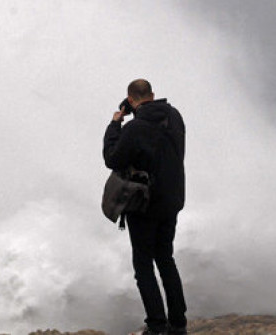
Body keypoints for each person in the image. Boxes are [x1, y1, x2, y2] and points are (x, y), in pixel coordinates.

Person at [103, 79, 187, 335]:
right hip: (172, 200)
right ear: (152, 95)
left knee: (143, 266)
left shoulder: (134, 128)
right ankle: (178, 324)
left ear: (130, 100)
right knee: (165, 259)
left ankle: (157, 326)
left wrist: (116, 123)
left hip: (144, 204)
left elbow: (112, 158)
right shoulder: (174, 116)